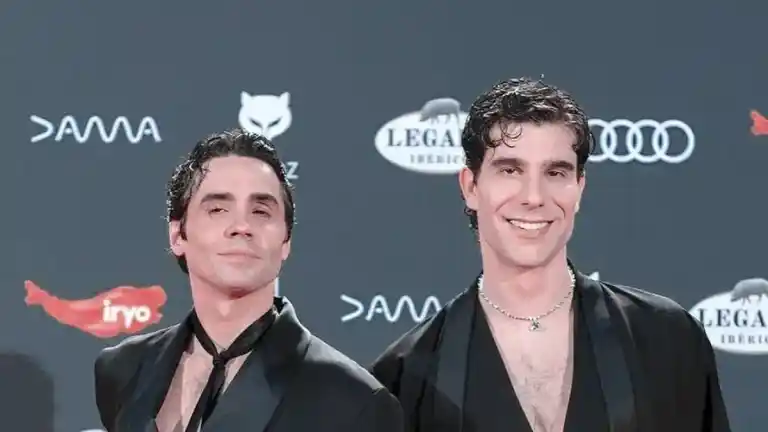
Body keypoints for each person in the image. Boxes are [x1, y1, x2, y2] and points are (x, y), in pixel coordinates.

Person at [369, 77, 731, 432]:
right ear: (471, 187)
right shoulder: (405, 377)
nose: (534, 197)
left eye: (555, 172)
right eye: (510, 170)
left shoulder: (666, 339)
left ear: (579, 188)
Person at [93, 129, 403, 432]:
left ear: (286, 241)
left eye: (260, 211)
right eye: (218, 209)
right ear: (177, 235)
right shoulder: (124, 369)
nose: (241, 226)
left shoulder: (354, 401)